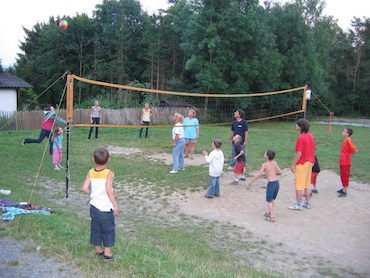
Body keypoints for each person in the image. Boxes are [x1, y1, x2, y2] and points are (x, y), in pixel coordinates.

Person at [81, 147, 119, 261]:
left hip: (94, 207)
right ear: (108, 160)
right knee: (108, 229)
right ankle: (108, 254)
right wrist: (115, 204)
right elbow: (108, 190)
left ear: (93, 159)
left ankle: (98, 250)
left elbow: (84, 188)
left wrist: (92, 193)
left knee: (95, 228)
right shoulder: (109, 173)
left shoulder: (91, 172)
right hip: (105, 208)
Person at [289, 119, 316, 211]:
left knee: (299, 185)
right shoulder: (310, 136)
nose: (295, 126)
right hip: (310, 162)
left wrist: (293, 164)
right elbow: (313, 149)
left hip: (302, 163)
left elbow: (299, 153)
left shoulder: (301, 138)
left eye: (297, 124)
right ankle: (307, 203)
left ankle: (298, 204)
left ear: (300, 126)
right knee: (307, 184)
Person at [249, 150, 282, 222]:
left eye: (265, 153)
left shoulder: (265, 164)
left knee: (269, 201)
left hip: (271, 184)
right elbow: (280, 172)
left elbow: (259, 174)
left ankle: (271, 216)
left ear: (267, 156)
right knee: (272, 199)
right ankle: (270, 212)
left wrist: (252, 181)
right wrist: (274, 173)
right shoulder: (274, 163)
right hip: (277, 183)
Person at [337, 128, 358, 197]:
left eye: (344, 131)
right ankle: (343, 188)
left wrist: (349, 155)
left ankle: (344, 191)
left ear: (347, 134)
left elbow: (354, 149)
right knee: (342, 175)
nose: (342, 132)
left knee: (345, 176)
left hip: (346, 162)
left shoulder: (348, 141)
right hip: (342, 161)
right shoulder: (346, 140)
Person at [228, 109, 248, 174]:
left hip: (241, 142)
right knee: (234, 153)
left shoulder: (244, 122)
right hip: (234, 141)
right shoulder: (234, 122)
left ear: (239, 115)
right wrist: (230, 139)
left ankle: (243, 166)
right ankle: (233, 164)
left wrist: (245, 141)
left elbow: (246, 132)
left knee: (242, 153)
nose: (234, 113)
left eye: (236, 112)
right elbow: (232, 132)